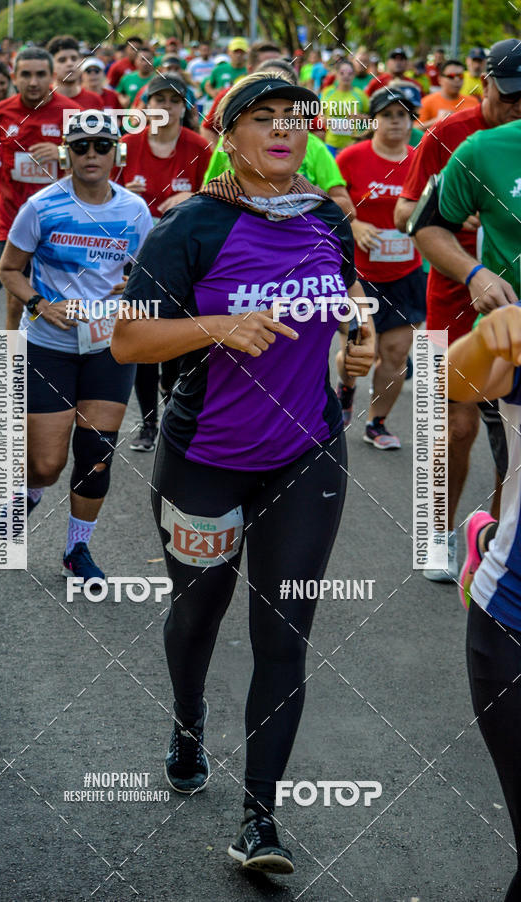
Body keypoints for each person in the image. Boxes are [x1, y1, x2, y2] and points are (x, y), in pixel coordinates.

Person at [110, 72, 375, 874]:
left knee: (285, 636)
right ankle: (187, 724)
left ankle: (260, 822)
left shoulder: (329, 217)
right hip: (206, 460)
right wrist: (218, 325)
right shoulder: (189, 228)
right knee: (199, 614)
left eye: (296, 119)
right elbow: (126, 343)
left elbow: (347, 294)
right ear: (229, 135)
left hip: (306, 453)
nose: (285, 131)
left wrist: (355, 332)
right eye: (264, 119)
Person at [0, 111, 152, 579]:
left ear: (116, 154)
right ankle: (28, 495)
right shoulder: (42, 206)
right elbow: (9, 270)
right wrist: (41, 304)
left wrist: (133, 286)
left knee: (96, 454)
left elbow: (144, 275)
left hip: (108, 347)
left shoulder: (135, 211)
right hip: (49, 347)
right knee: (45, 464)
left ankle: (76, 551)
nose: (91, 155)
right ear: (67, 152)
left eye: (101, 146)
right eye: (81, 146)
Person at [394, 37, 521, 581]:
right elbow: (407, 212)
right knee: (451, 425)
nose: (516, 106)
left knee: (508, 434)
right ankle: (434, 536)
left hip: (508, 302)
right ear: (485, 81)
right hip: (450, 294)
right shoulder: (450, 133)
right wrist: (464, 228)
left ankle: (495, 539)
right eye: (509, 94)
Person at [447, 303, 521, 902]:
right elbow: (456, 382)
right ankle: (474, 536)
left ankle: (482, 533)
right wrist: (485, 340)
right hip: (514, 616)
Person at [118, 73, 212, 452]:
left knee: (176, 343)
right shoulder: (126, 145)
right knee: (142, 339)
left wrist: (192, 198)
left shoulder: (198, 147)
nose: (166, 108)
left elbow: (220, 194)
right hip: (135, 256)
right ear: (146, 106)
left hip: (184, 259)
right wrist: (124, 194)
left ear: (184, 107)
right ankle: (147, 424)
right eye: (159, 100)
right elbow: (98, 195)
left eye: (174, 101)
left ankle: (172, 404)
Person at [0, 47, 81, 329]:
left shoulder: (73, 113)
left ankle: (53, 364)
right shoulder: (0, 112)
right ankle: (8, 371)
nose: (33, 82)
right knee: (15, 300)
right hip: (13, 219)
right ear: (14, 77)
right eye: (26, 75)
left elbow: (99, 165)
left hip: (62, 222)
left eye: (41, 75)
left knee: (63, 297)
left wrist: (63, 154)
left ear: (52, 76)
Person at [336, 86, 424, 446]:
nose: (394, 122)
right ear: (374, 120)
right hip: (359, 276)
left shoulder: (421, 159)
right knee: (359, 349)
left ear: (410, 121)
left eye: (402, 115)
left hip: (405, 272)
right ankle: (346, 385)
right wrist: (353, 225)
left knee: (395, 353)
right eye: (387, 115)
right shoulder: (351, 158)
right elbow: (329, 202)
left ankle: (377, 423)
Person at [202, 59, 356, 221]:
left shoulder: (315, 147)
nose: (281, 130)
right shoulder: (195, 223)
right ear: (228, 141)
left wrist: (305, 204)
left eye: (292, 119)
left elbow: (347, 208)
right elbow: (207, 191)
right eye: (263, 118)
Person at [200, 41, 281, 150]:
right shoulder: (230, 94)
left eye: (279, 63)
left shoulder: (291, 96)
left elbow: (311, 128)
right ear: (250, 69)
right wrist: (220, 157)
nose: (276, 70)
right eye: (267, 64)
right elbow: (208, 129)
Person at [321, 59, 369, 156]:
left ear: (354, 75)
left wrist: (360, 117)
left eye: (350, 73)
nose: (346, 76)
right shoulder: (327, 92)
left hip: (353, 144)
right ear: (337, 75)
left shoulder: (360, 95)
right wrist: (323, 119)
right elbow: (320, 113)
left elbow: (372, 118)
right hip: (331, 143)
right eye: (342, 73)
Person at [46, 35, 104, 110]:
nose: (70, 63)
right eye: (62, 60)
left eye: (74, 59)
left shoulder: (95, 100)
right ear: (51, 65)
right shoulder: (42, 98)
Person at [419, 59, 479, 128]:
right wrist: (436, 121)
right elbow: (413, 131)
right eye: (451, 76)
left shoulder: (474, 102)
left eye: (460, 76)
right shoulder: (426, 102)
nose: (457, 80)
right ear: (440, 79)